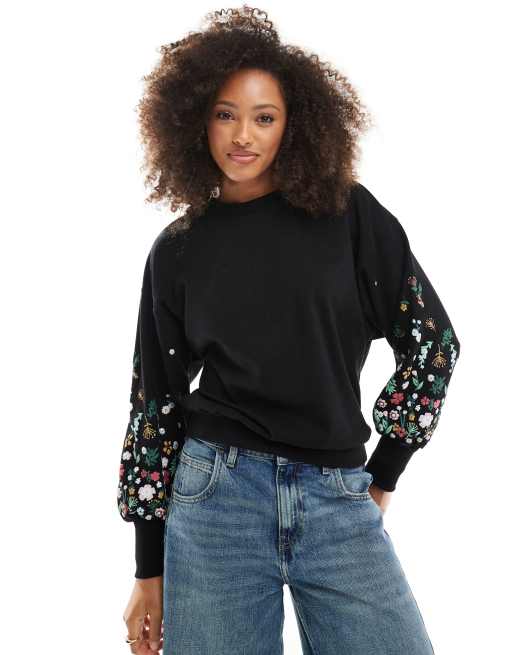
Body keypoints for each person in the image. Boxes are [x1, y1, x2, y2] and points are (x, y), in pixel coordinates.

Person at [117, 6, 461, 654]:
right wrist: (147, 569)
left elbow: (433, 345)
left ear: (294, 124)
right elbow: (154, 404)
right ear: (194, 119)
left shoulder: (347, 217)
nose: (242, 135)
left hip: (336, 495)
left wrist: (383, 473)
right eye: (225, 113)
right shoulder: (178, 251)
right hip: (214, 498)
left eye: (264, 117)